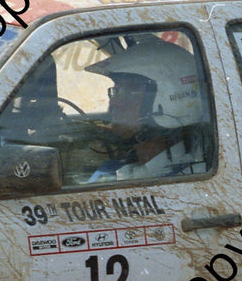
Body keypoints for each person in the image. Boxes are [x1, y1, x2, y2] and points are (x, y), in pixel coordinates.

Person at [86, 37, 210, 182]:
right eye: (116, 90)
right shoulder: (115, 171)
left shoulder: (190, 180)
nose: (114, 101)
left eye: (129, 93)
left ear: (168, 102)